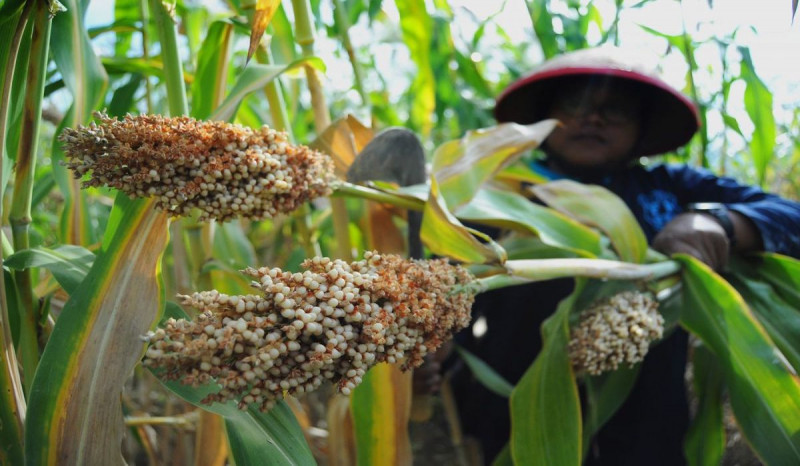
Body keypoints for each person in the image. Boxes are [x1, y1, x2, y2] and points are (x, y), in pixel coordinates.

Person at [419, 47, 800, 465]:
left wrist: (720, 224)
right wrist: (433, 355)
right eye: (575, 104)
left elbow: (790, 215)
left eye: (615, 110)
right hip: (518, 408)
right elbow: (456, 289)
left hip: (646, 418)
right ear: (547, 116)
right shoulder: (498, 194)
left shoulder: (671, 188)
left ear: (642, 126)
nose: (593, 118)